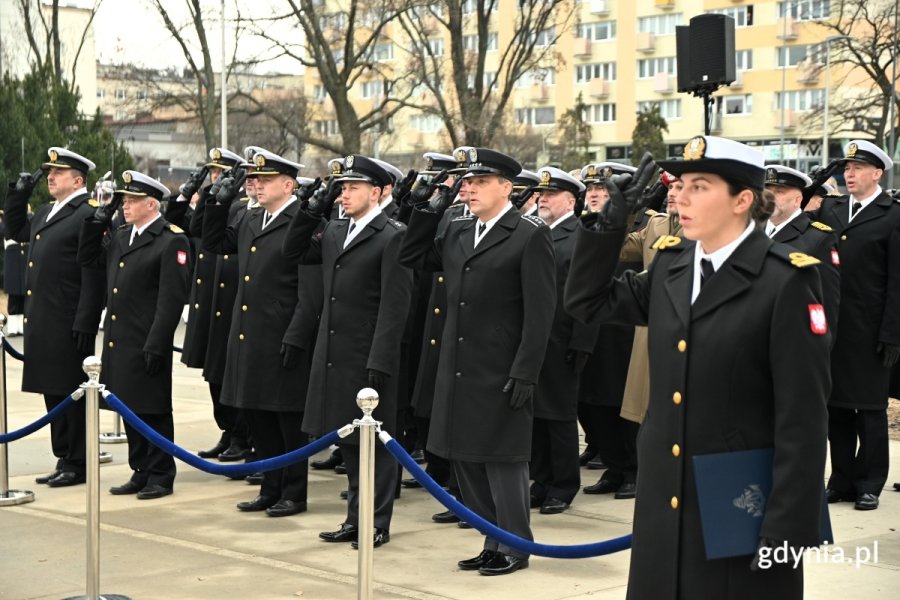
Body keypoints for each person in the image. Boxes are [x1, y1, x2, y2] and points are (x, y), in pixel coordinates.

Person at [565, 138, 830, 599]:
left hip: (740, 501)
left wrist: (786, 528)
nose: (680, 197)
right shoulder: (672, 265)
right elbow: (586, 301)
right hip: (664, 496)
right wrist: (609, 225)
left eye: (699, 186)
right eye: (680, 185)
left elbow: (803, 419)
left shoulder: (784, 281)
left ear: (742, 200)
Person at [399, 148, 556, 576]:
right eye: (466, 182)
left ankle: (516, 545)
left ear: (506, 187)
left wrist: (526, 369)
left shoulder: (528, 234)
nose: (468, 188)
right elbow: (410, 256)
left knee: (502, 460)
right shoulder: (457, 230)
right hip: (458, 363)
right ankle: (492, 538)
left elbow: (541, 312)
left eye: (479, 181)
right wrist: (426, 209)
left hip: (502, 367)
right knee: (465, 457)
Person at [283, 154, 413, 547]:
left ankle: (376, 523)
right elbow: (293, 253)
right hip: (334, 352)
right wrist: (312, 210)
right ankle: (354, 519)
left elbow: (395, 305)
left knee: (376, 446)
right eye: (342, 187)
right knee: (350, 444)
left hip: (368, 356)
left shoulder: (392, 235)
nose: (345, 193)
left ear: (376, 192)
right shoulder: (336, 231)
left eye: (354, 187)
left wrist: (381, 359)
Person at [202, 149, 321, 517]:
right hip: (249, 336)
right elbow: (212, 243)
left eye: (266, 180)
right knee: (258, 418)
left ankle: (294, 493)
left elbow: (310, 290)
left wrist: (296, 337)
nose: (258, 185)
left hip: (282, 336)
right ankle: (270, 488)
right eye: (255, 180)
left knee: (286, 421)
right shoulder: (252, 220)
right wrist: (217, 204)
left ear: (288, 185)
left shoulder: (302, 223)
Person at [78, 170, 190, 500]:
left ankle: (160, 474)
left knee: (153, 410)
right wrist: (98, 220)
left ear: (152, 204)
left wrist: (157, 343)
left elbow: (171, 300)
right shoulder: (122, 235)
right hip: (120, 339)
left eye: (132, 200)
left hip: (146, 340)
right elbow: (87, 258)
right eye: (125, 200)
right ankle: (140, 470)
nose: (125, 205)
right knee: (129, 408)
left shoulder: (171, 240)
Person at [4, 147, 105, 488]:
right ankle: (64, 456)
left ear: (78, 180)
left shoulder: (87, 213)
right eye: (49, 171)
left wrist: (86, 319)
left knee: (70, 393)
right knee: (53, 391)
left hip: (68, 319)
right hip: (44, 317)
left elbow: (92, 271)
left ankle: (78, 461)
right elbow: (15, 228)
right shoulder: (48, 211)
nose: (50, 176)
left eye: (58, 172)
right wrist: (18, 194)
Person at [807, 140, 900, 511]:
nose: (849, 174)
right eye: (846, 168)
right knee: (837, 408)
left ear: (877, 173)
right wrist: (818, 180)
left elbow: (897, 281)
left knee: (871, 410)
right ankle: (841, 480)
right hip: (833, 327)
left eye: (858, 168)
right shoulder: (830, 208)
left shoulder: (892, 214)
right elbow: (794, 209)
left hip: (871, 331)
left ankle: (870, 483)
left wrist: (893, 333)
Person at [528, 166, 593, 515]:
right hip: (538, 338)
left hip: (564, 339)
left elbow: (588, 293)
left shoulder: (578, 234)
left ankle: (564, 484)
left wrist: (582, 343)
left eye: (551, 195)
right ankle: (542, 479)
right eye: (542, 194)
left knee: (560, 415)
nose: (544, 200)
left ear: (571, 200)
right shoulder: (537, 232)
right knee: (535, 412)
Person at [763, 165, 841, 335]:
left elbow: (826, 303)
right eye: (767, 190)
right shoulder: (753, 231)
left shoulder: (818, 239)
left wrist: (819, 353)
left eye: (779, 191)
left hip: (792, 338)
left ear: (798, 200)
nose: (770, 197)